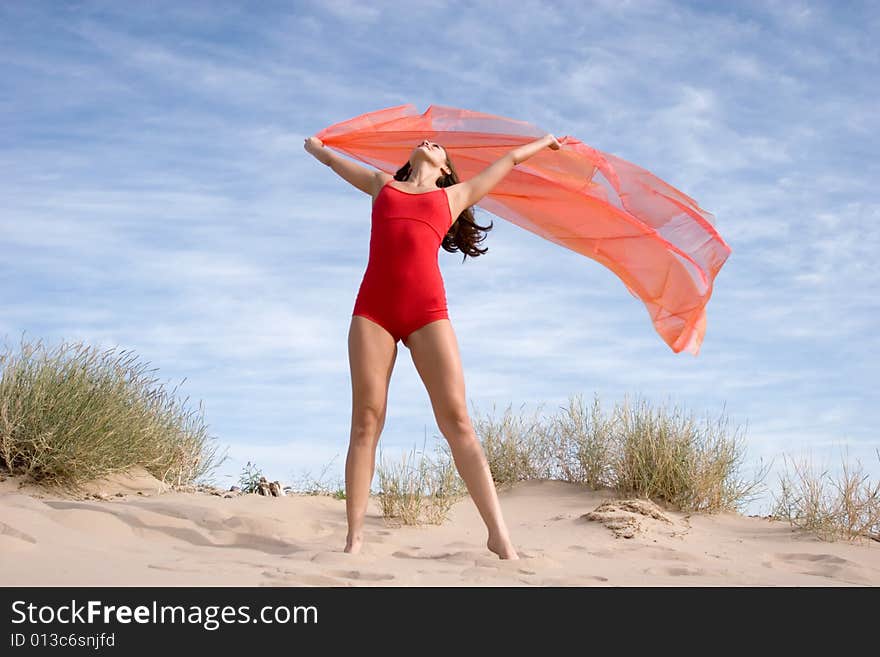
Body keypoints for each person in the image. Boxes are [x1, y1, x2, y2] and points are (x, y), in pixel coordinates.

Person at [304, 132, 560, 559]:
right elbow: (332, 162)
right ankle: (354, 539)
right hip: (372, 312)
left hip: (427, 314)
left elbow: (510, 158)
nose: (430, 141)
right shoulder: (381, 184)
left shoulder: (454, 195)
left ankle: (499, 536)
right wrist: (317, 149)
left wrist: (545, 141)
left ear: (445, 169)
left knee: (457, 420)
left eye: (439, 146)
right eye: (426, 141)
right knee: (366, 419)